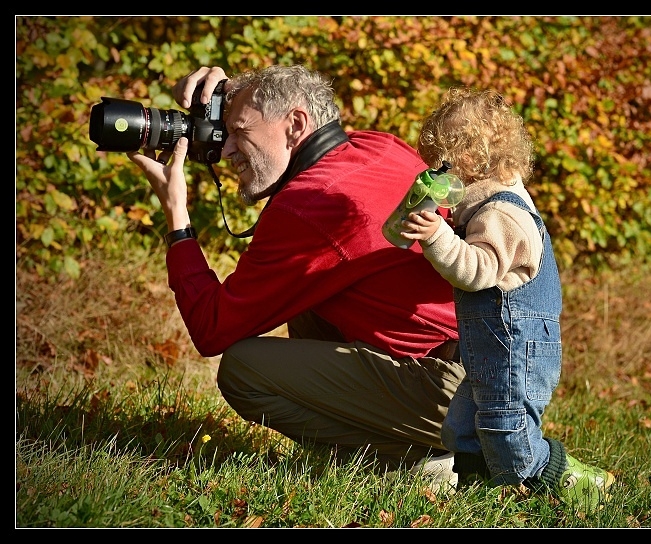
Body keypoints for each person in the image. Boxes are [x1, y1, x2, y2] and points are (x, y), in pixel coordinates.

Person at [126, 64, 465, 490]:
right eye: (224, 131)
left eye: (239, 131)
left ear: (295, 124)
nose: (226, 150)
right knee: (308, 310)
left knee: (244, 372)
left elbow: (211, 329)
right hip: (484, 368)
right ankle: (431, 444)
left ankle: (412, 459)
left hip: (451, 392)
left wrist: (177, 214)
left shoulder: (310, 203)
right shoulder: (374, 146)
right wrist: (235, 95)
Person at [399, 87, 615, 512]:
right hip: (492, 348)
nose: (438, 178)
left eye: (442, 167)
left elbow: (477, 270)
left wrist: (438, 237)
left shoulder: (502, 213)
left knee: (505, 429)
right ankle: (477, 491)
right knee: (463, 424)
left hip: (518, 347)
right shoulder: (484, 210)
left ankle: (560, 476)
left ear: (470, 163)